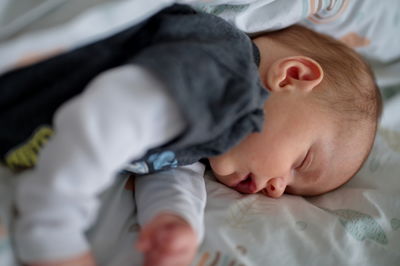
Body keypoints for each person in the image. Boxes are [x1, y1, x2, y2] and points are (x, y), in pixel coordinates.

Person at [0, 4, 381, 266]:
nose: (278, 189)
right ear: (294, 76)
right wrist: (54, 229)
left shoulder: (208, 133)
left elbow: (169, 166)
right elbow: (114, 116)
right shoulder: (225, 71)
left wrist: (173, 220)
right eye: (302, 162)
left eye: (292, 190)